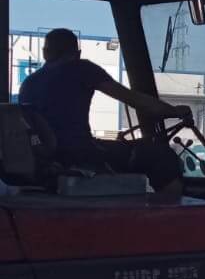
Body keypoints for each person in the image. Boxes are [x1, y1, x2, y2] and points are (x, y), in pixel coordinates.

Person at [18, 28, 190, 198]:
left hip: (47, 159)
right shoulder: (82, 69)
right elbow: (133, 99)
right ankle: (169, 210)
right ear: (77, 53)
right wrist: (173, 111)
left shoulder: (28, 83)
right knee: (160, 155)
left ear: (45, 53)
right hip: (80, 155)